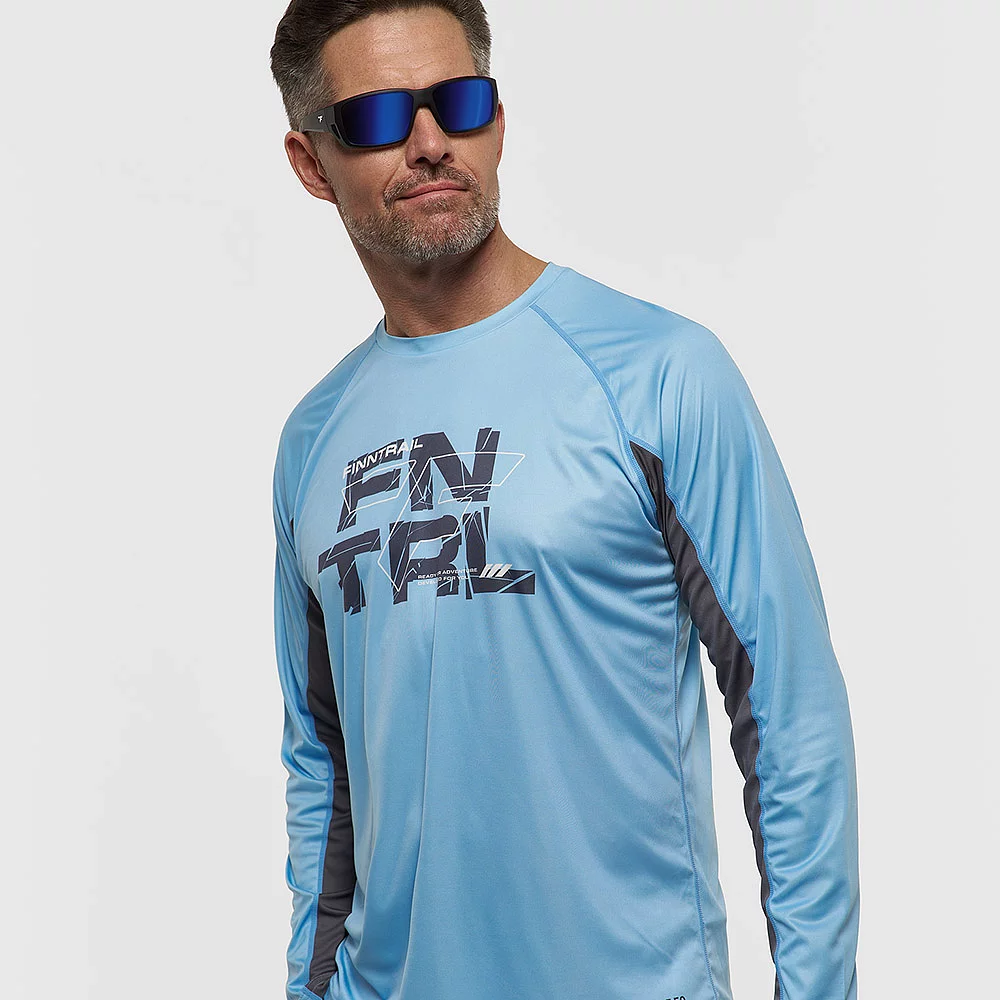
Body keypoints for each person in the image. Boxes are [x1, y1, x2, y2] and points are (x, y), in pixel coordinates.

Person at [267, 3, 860, 999]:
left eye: (458, 102)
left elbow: (790, 715)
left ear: (496, 119)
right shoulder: (313, 438)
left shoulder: (659, 375)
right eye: (377, 118)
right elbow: (320, 763)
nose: (430, 142)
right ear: (311, 162)